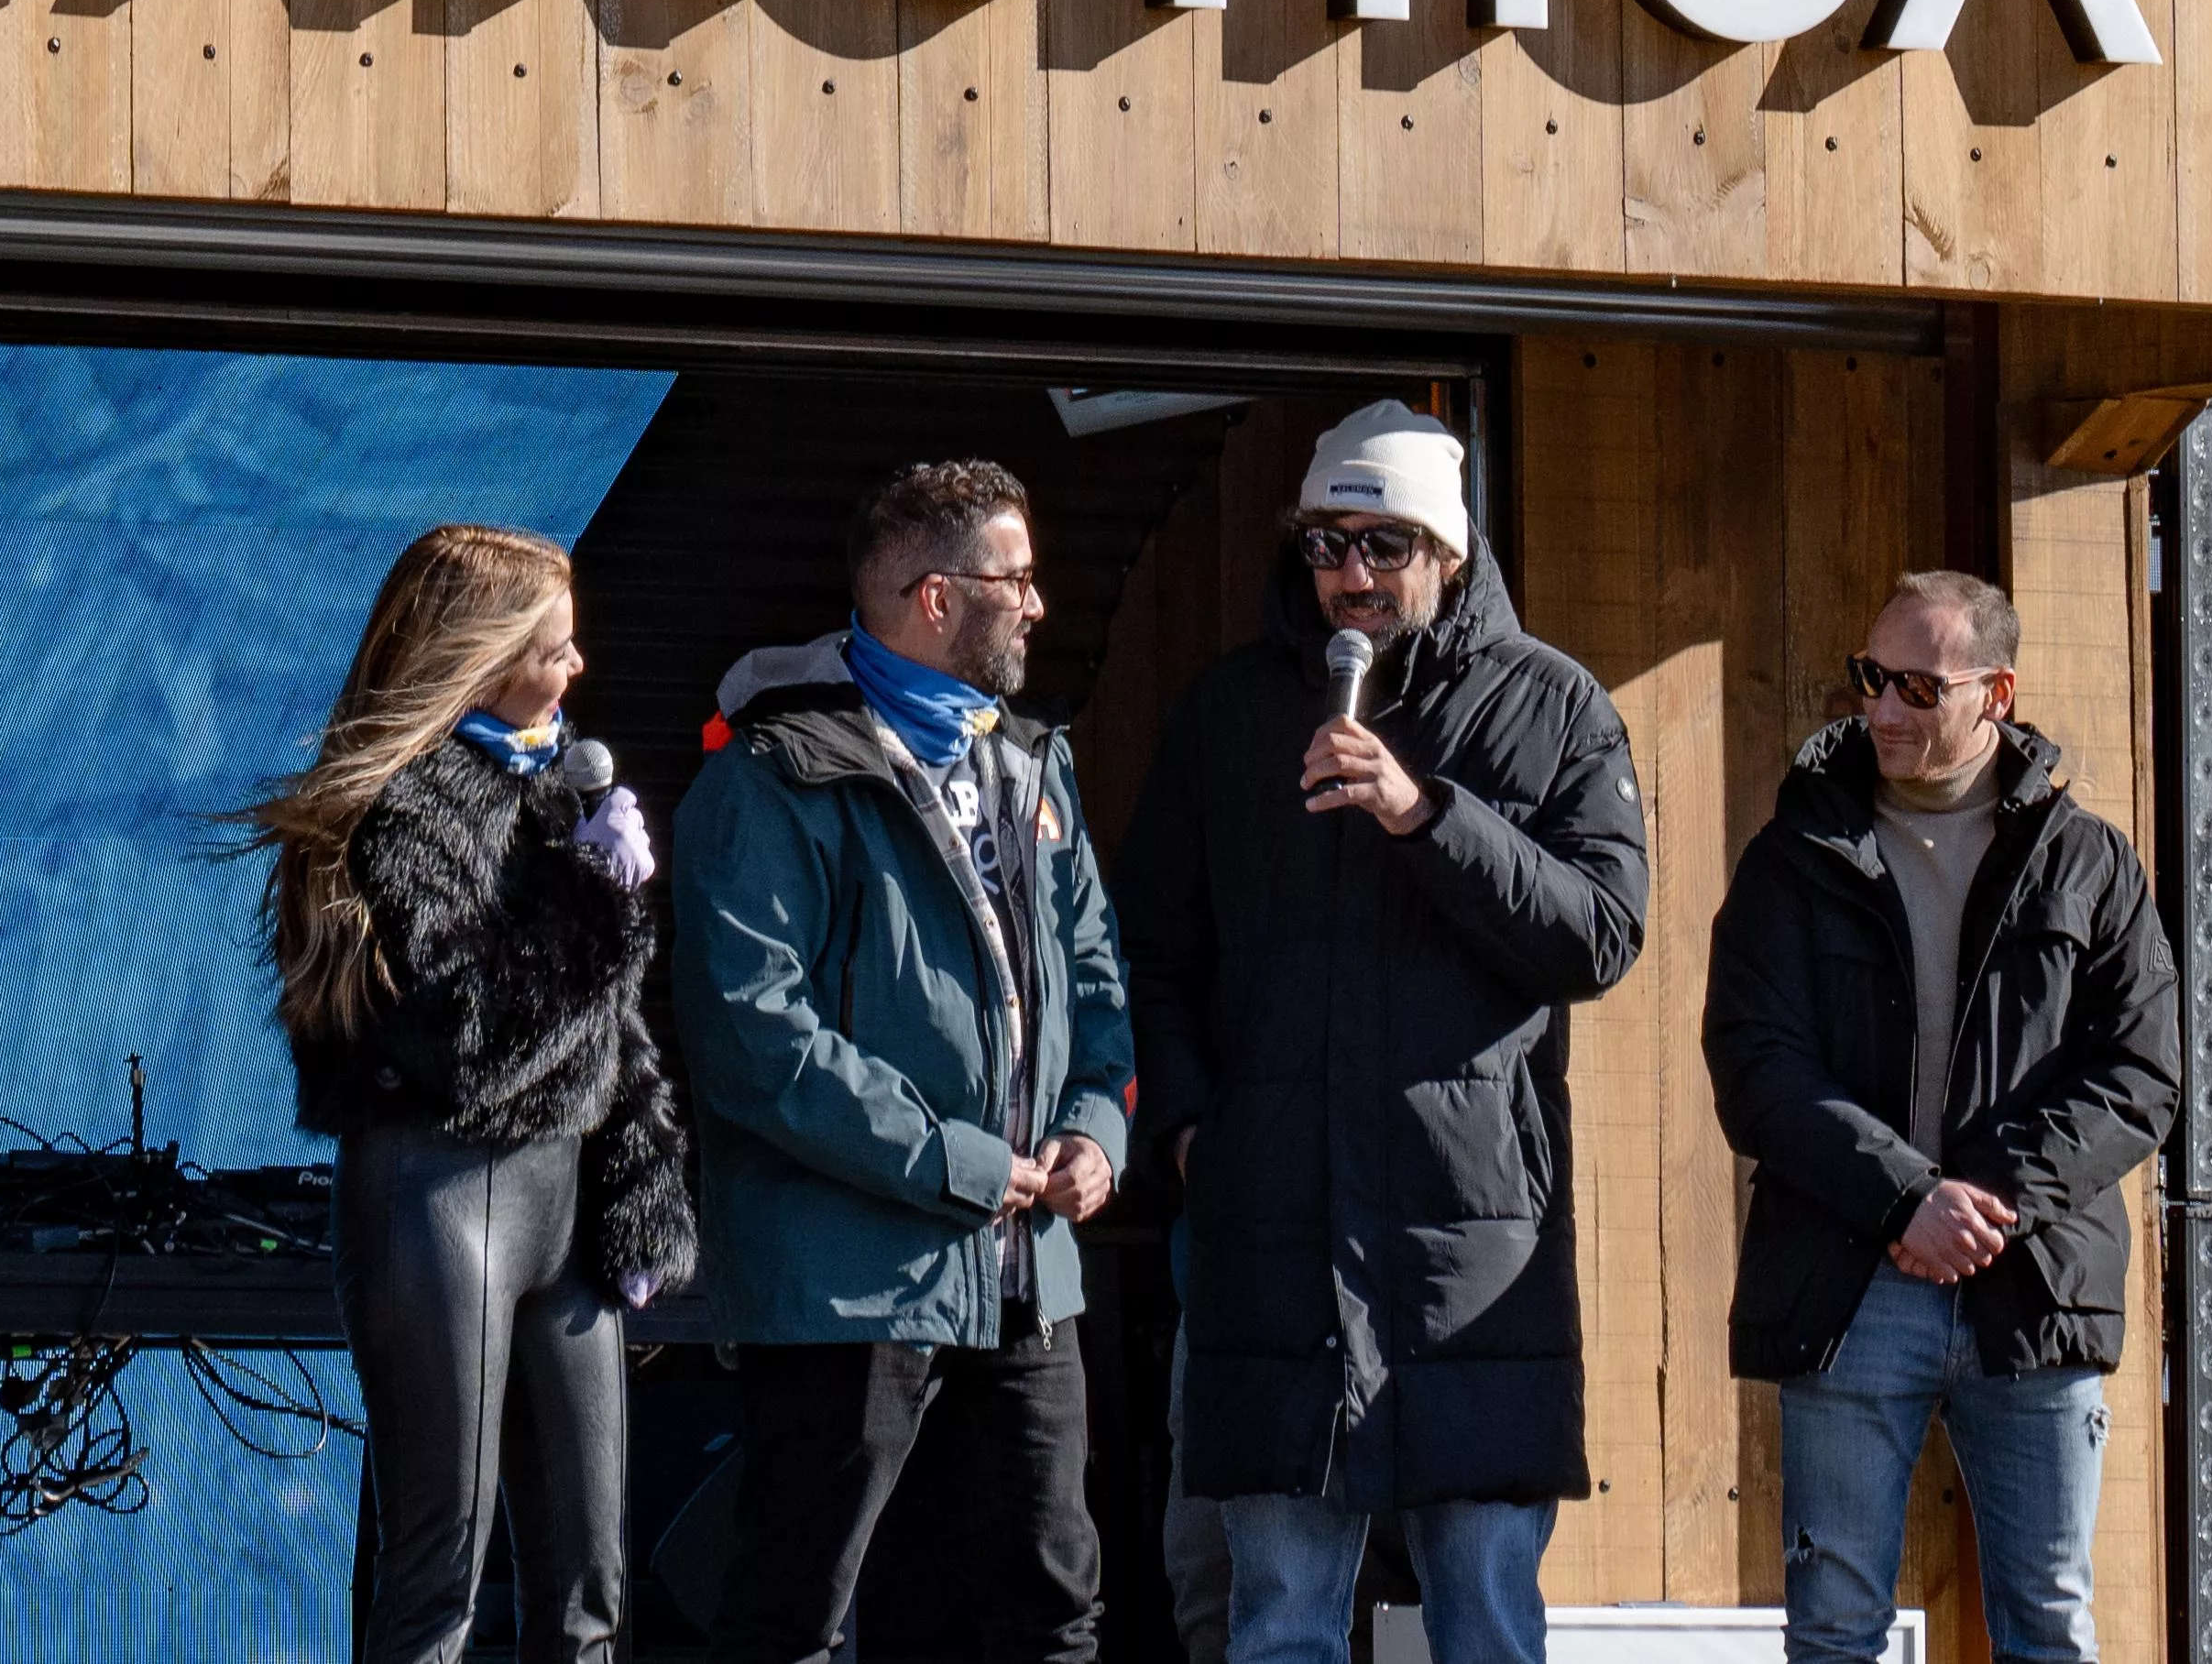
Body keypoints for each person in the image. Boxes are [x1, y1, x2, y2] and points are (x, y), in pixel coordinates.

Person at [1118, 400, 1650, 1664]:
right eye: (1325, 543)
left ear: (1450, 555)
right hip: (1274, 1232)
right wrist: (1198, 1127)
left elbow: (1601, 934)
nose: (1350, 575)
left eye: (1384, 545)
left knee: (1482, 1621)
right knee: (1281, 1623)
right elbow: (1147, 950)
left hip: (1470, 1244)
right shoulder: (1231, 714)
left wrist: (1429, 817)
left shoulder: (1556, 707)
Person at [670, 460, 1134, 1664]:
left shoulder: (1035, 764)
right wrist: (957, 1160)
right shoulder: (770, 778)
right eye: (1016, 579)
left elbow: (1096, 988)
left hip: (1026, 1272)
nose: (1038, 603)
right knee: (796, 1617)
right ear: (935, 598)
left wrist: (1099, 1129)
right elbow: (755, 1040)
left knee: (1056, 1614)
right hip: (849, 1281)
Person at [1703, 569, 2180, 1664]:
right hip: (1846, 1281)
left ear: (1994, 693)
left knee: (2048, 1625)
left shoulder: (2085, 860)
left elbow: (2143, 1071)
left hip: (2032, 1287)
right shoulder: (1792, 857)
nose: (1879, 708)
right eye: (1872, 676)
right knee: (1833, 1633)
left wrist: (1991, 1196)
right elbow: (1753, 1064)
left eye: (1916, 686)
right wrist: (1902, 1199)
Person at [242, 523, 695, 1664]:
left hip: (565, 1195)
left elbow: (608, 1030)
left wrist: (645, 1179)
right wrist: (597, 897)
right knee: (438, 1572)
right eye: (554, 645)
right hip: (439, 1189)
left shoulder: (550, 778)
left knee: (591, 1584)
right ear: (475, 655)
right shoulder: (404, 806)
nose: (576, 666)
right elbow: (467, 1036)